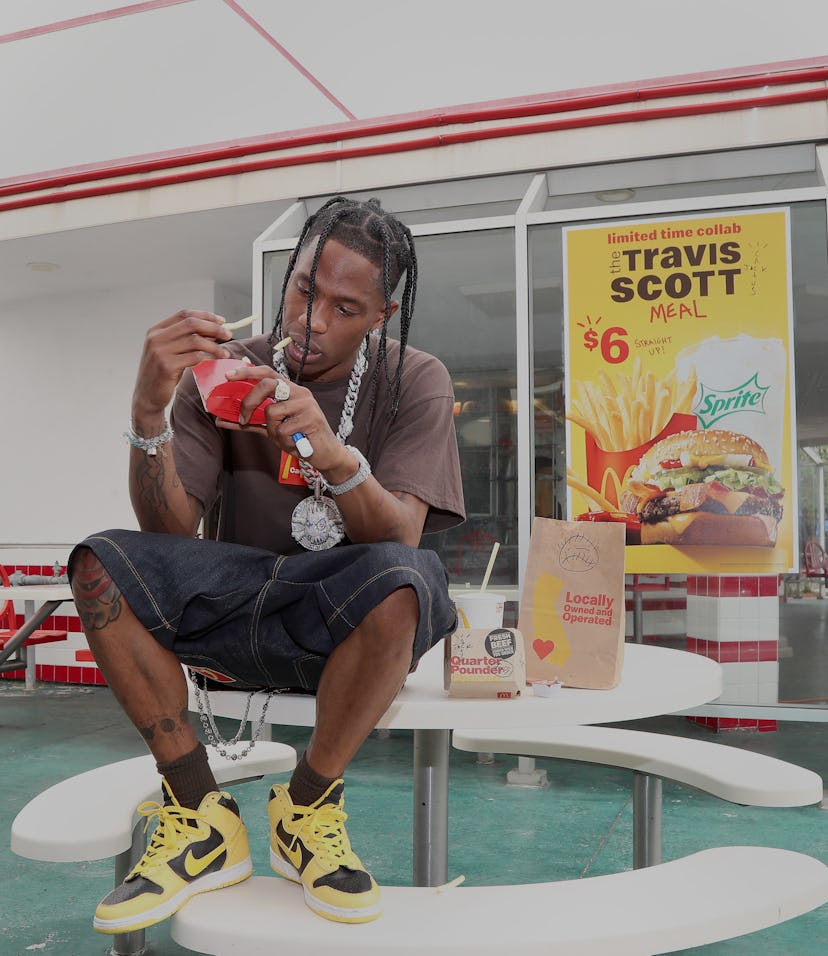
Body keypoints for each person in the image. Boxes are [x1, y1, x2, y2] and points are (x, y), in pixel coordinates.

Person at [67, 196, 465, 933]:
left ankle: (307, 805)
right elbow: (168, 532)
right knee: (102, 563)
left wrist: (332, 453)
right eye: (305, 290)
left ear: (383, 315)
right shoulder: (225, 371)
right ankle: (197, 810)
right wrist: (149, 412)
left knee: (407, 581)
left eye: (345, 308)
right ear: (289, 275)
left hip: (342, 619)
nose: (313, 320)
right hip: (234, 599)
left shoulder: (416, 378)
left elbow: (401, 537)